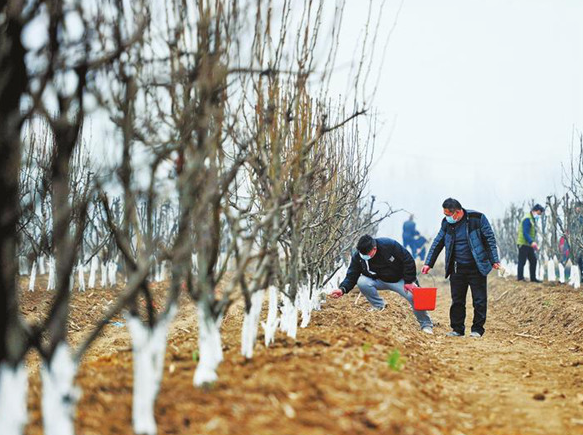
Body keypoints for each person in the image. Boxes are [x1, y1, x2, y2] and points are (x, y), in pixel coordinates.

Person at [422, 198, 500, 338]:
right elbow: (438, 242)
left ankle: (477, 329)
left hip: (477, 266)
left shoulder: (477, 218)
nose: (446, 217)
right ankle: (457, 329)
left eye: (448, 214)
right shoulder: (447, 223)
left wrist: (494, 260)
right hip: (457, 267)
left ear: (457, 212)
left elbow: (489, 239)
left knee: (479, 300)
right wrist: (428, 263)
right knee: (457, 300)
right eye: (444, 214)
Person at [330, 235, 434, 334]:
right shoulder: (359, 256)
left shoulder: (389, 245)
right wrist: (342, 289)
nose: (364, 256)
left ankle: (426, 324)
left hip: (399, 279)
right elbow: (352, 274)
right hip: (377, 280)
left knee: (415, 296)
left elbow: (408, 260)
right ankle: (379, 306)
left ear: (374, 249)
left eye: (367, 254)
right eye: (362, 254)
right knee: (362, 281)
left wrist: (408, 281)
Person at [516, 204, 545, 282]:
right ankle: (520, 278)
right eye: (539, 213)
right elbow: (525, 233)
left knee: (533, 260)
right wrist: (531, 242)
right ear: (535, 211)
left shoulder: (532, 219)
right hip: (523, 243)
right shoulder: (527, 219)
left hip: (528, 244)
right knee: (522, 261)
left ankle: (533, 278)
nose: (539, 215)